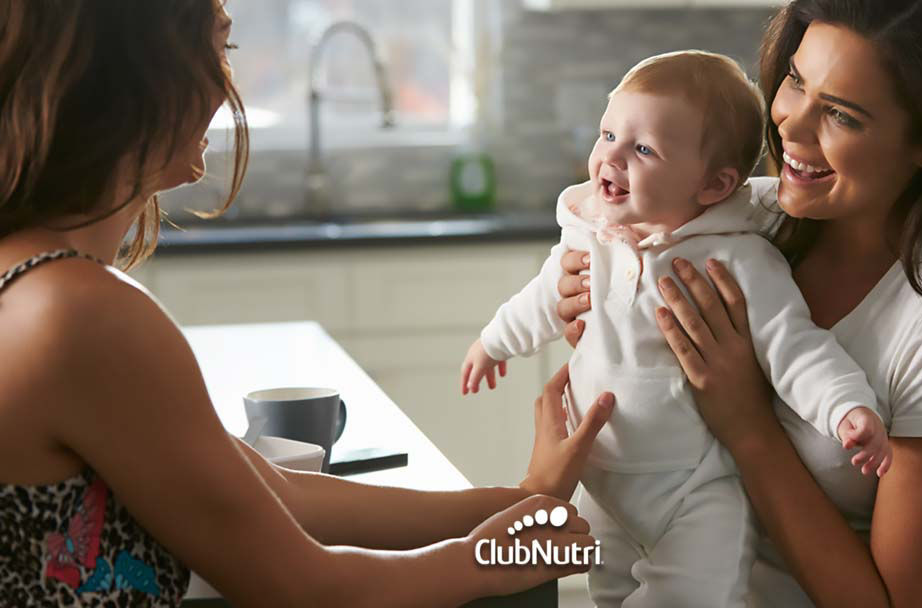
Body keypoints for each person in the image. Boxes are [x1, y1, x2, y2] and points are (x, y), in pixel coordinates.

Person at [0, 2, 613, 606]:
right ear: (136, 67)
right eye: (219, 48)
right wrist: (495, 558)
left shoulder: (38, 286)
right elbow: (305, 587)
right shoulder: (82, 317)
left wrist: (518, 500)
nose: (225, 84)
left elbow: (278, 495)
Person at [556, 1, 922, 606]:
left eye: (842, 115)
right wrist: (595, 309)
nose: (790, 126)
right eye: (797, 80)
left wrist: (747, 425)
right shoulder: (740, 221)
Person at [461, 50, 890, 607]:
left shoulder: (736, 260)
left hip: (693, 489)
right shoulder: (590, 234)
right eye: (608, 133)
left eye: (643, 149)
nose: (611, 157)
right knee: (608, 592)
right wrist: (494, 342)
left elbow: (796, 346)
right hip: (602, 477)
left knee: (685, 596)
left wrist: (846, 408)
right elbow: (541, 299)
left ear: (713, 186)